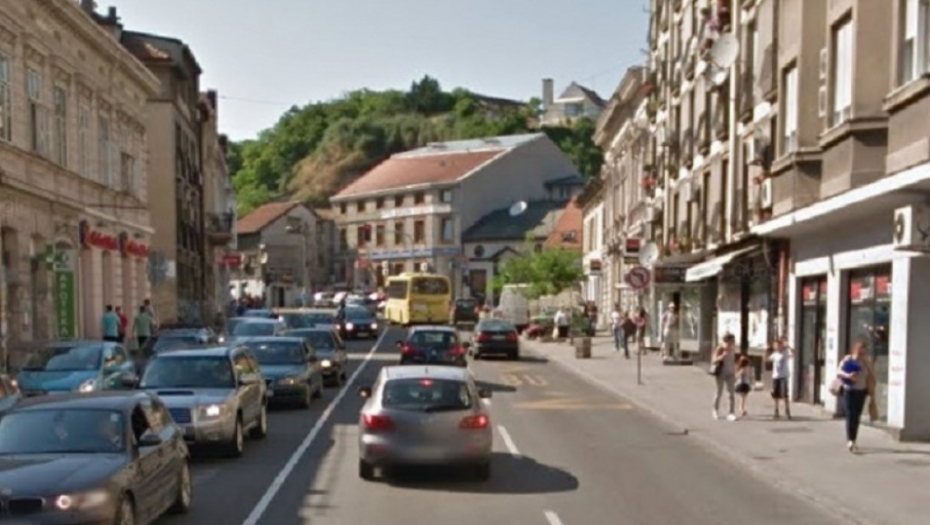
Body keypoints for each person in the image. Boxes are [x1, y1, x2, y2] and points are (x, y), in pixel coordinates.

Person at [837, 340, 875, 453]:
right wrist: (848, 375)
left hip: (861, 391)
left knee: (856, 416)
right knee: (850, 414)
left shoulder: (866, 362)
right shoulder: (848, 359)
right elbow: (839, 371)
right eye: (860, 350)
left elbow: (872, 376)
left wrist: (872, 388)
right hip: (849, 390)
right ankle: (850, 440)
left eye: (864, 350)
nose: (862, 352)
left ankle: (854, 439)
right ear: (855, 349)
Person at [711, 333, 738, 421]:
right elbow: (714, 360)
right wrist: (721, 357)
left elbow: (733, 362)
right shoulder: (721, 348)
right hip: (721, 373)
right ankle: (715, 410)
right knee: (719, 392)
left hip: (730, 373)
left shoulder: (733, 349)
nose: (733, 343)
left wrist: (735, 372)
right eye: (731, 341)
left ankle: (731, 413)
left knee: (731, 393)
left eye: (733, 341)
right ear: (727, 341)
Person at [768, 337, 793, 419]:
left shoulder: (785, 352)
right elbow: (767, 359)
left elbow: (793, 354)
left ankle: (787, 410)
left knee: (785, 394)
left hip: (784, 376)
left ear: (781, 346)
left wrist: (788, 347)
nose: (777, 347)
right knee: (776, 395)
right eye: (775, 346)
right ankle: (776, 410)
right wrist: (767, 350)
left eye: (778, 345)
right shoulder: (774, 354)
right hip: (776, 376)